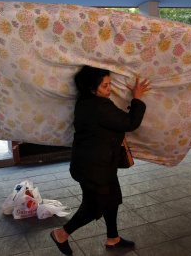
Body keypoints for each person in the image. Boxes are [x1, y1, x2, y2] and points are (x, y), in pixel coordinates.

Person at [50, 66, 151, 255]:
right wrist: (137, 97)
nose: (109, 89)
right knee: (94, 206)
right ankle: (61, 233)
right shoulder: (99, 105)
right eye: (105, 85)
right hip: (93, 168)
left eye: (110, 84)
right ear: (91, 88)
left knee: (112, 200)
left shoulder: (87, 101)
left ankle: (113, 238)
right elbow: (130, 123)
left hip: (100, 164)